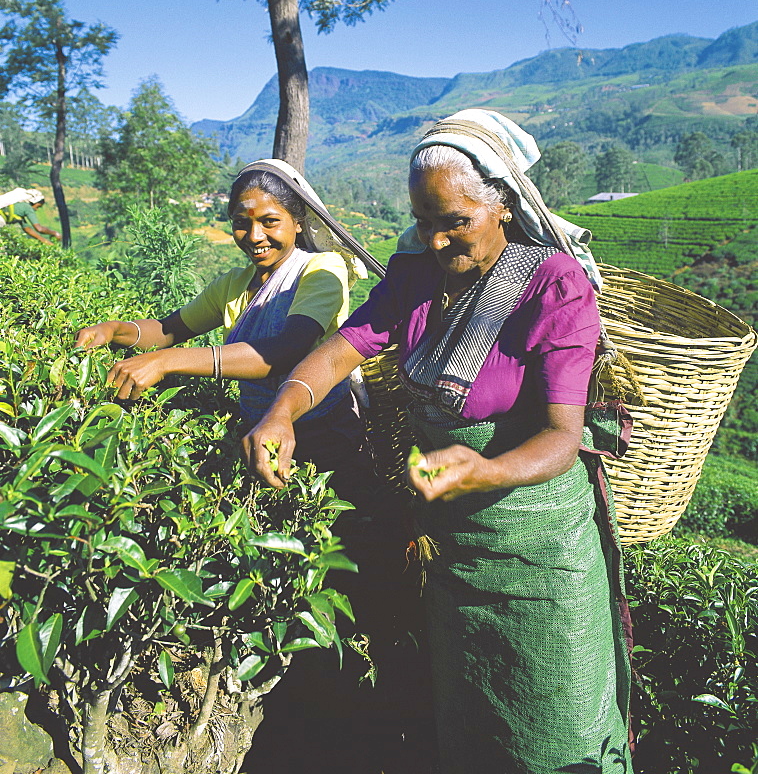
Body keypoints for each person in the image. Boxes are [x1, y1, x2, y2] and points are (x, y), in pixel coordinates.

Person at [245, 110, 634, 774]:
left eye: (456, 220)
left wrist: (482, 470)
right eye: (425, 222)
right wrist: (282, 410)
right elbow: (341, 350)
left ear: (503, 203)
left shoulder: (551, 285)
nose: (438, 238)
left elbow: (563, 438)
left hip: (540, 559)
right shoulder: (418, 276)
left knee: (555, 725)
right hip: (453, 552)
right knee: (472, 717)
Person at [76, 159, 382, 508]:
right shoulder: (233, 285)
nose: (254, 237)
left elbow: (286, 348)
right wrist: (114, 330)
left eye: (270, 222)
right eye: (241, 223)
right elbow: (168, 329)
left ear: (297, 223)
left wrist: (165, 361)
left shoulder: (320, 268)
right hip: (255, 432)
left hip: (324, 432)